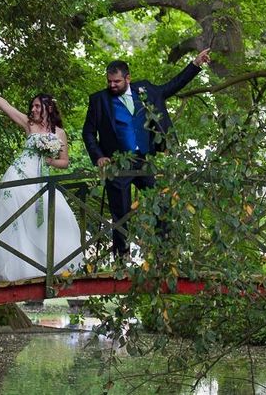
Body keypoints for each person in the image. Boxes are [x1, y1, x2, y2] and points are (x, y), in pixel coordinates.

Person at [82, 49, 211, 258]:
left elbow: (172, 86)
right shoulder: (99, 100)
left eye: (116, 81)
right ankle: (122, 259)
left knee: (162, 200)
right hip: (117, 163)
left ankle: (163, 253)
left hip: (145, 161)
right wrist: (98, 156)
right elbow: (88, 132)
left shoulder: (146, 90)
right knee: (121, 213)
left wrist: (195, 64)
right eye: (109, 81)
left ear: (128, 78)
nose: (112, 85)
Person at [0, 75, 83, 286]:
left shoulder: (60, 133)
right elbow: (6, 106)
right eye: (32, 106)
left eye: (37, 106)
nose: (33, 109)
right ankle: (15, 270)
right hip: (19, 175)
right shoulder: (29, 125)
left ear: (48, 108)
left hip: (41, 181)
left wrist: (50, 160)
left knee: (56, 215)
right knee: (14, 219)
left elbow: (65, 162)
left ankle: (50, 265)